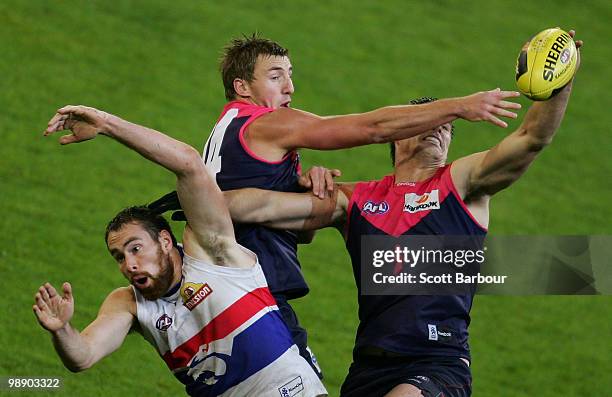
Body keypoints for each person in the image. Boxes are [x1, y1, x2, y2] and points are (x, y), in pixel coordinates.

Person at [219, 31, 583, 397]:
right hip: (367, 367)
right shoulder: (356, 199)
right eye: (425, 123)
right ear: (399, 138)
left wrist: (560, 83)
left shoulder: (462, 183)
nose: (437, 129)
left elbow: (531, 138)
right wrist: (210, 197)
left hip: (437, 362)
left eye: (444, 127)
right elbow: (262, 207)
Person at [153, 34, 522, 377]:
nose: (290, 87)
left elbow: (299, 228)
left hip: (209, 283)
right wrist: (460, 106)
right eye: (276, 76)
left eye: (290, 76)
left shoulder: (226, 130)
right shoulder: (268, 123)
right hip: (251, 289)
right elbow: (371, 128)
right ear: (242, 87)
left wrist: (303, 184)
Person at [33, 106, 328, 397]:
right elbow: (82, 356)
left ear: (164, 240)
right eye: (120, 257)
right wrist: (61, 330)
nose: (129, 264)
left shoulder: (211, 253)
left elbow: (188, 163)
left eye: (136, 249)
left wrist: (107, 124)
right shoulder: (129, 303)